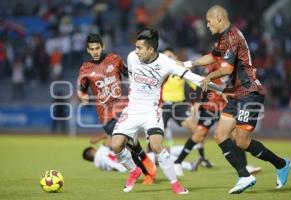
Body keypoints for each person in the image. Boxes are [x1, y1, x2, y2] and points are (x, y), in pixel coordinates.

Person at [183, 5, 291, 194]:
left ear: (219, 18)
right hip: (236, 94)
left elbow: (226, 69)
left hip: (249, 92)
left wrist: (208, 77)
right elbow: (212, 56)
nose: (207, 26)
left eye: (209, 22)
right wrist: (187, 64)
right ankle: (244, 176)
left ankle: (282, 164)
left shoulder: (231, 37)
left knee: (242, 141)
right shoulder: (223, 39)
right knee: (220, 135)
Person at [110, 27, 223, 194]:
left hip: (151, 111)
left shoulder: (166, 63)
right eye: (136, 47)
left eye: (140, 48)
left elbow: (194, 78)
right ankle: (134, 170)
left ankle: (175, 184)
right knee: (116, 145)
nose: (136, 51)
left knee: (156, 146)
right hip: (132, 110)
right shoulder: (132, 57)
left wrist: (223, 90)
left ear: (150, 49)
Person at [77, 33, 156, 185]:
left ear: (103, 47)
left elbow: (129, 74)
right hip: (105, 116)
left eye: (97, 48)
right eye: (92, 49)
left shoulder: (115, 59)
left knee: (127, 140)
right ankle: (145, 167)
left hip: (121, 108)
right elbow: (82, 89)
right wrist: (83, 97)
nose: (95, 51)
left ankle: (147, 171)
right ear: (88, 50)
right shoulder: (85, 69)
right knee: (125, 145)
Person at [174, 61, 261, 175]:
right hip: (210, 107)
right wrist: (198, 102)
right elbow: (201, 82)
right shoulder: (213, 66)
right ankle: (178, 162)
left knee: (235, 135)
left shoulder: (233, 67)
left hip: (225, 106)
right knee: (198, 136)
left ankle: (245, 166)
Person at [160, 48, 213, 176]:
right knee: (157, 133)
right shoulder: (159, 69)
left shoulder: (182, 70)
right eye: (165, 56)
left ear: (175, 56)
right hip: (164, 106)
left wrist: (197, 104)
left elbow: (197, 85)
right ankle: (154, 157)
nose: (168, 58)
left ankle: (202, 158)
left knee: (197, 130)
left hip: (180, 105)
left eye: (170, 56)